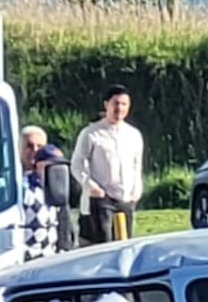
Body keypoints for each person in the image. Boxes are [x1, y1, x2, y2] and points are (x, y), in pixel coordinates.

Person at [71, 85, 144, 245]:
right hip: (102, 199)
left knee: (125, 243)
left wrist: (136, 191)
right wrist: (92, 187)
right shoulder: (91, 133)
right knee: (105, 243)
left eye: (124, 104)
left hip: (125, 199)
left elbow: (137, 166)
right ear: (106, 105)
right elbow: (77, 165)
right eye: (116, 103)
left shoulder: (133, 135)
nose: (119, 108)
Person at [23, 133, 63, 261]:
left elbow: (64, 222)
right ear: (38, 165)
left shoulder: (59, 189)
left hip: (50, 255)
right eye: (51, 164)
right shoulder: (24, 187)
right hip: (28, 256)